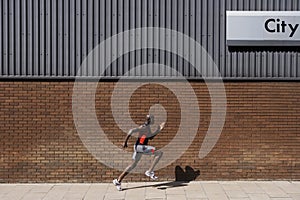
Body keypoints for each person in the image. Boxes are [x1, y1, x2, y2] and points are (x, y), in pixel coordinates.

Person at [113, 114, 165, 191]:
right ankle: (150, 171)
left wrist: (158, 130)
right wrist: (125, 142)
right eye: (153, 119)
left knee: (133, 165)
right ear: (149, 120)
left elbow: (150, 137)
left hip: (139, 148)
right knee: (159, 153)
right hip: (141, 147)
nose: (154, 120)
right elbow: (131, 131)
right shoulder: (143, 127)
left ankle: (118, 180)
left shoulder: (147, 127)